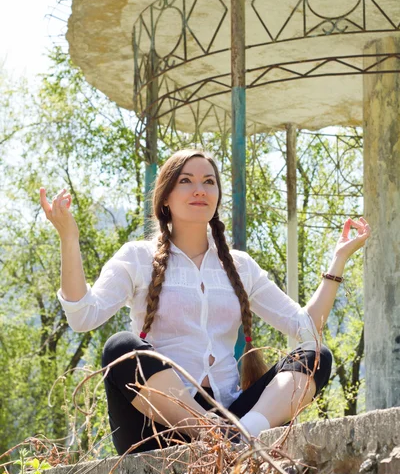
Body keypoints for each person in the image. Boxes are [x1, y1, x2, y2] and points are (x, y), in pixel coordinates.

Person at [39, 149, 370, 455]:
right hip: (158, 426)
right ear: (165, 198)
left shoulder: (239, 266)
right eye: (186, 181)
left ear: (216, 197)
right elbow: (82, 316)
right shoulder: (137, 258)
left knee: (316, 356)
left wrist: (338, 260)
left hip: (231, 415)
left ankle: (244, 436)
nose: (199, 189)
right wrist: (68, 237)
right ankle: (213, 434)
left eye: (208, 182)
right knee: (121, 347)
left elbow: (307, 329)